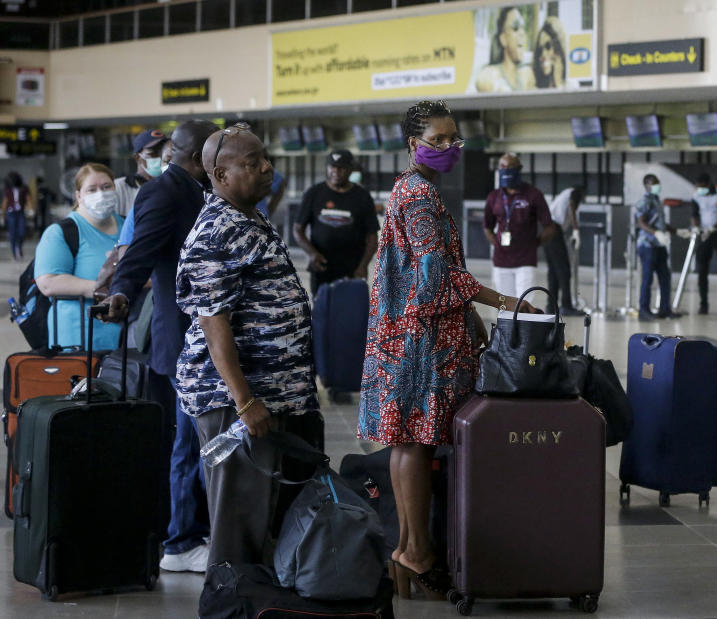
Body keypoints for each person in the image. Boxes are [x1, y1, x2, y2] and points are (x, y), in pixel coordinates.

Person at [358, 100, 538, 599]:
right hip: (422, 344)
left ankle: (408, 550)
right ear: (413, 143)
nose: (449, 148)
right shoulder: (419, 197)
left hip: (403, 335)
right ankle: (417, 554)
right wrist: (507, 303)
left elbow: (428, 275)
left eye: (454, 139)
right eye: (438, 140)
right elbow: (438, 277)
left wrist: (472, 313)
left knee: (405, 444)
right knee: (415, 443)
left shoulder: (405, 187)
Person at [175, 123, 323, 567]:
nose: (267, 168)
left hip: (279, 398)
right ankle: (231, 601)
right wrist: (244, 401)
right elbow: (213, 325)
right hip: (236, 404)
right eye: (252, 162)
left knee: (276, 522)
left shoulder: (249, 217)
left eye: (265, 159)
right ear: (219, 175)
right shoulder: (215, 232)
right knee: (240, 527)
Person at [101, 119, 220, 573]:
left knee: (201, 440)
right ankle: (179, 541)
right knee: (187, 443)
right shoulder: (163, 192)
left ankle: (199, 530)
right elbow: (139, 254)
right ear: (196, 156)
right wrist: (124, 291)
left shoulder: (196, 188)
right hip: (182, 338)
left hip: (205, 339)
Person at [34, 163, 123, 350]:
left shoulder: (128, 226)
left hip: (125, 339)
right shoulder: (63, 232)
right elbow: (48, 282)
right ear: (78, 195)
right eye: (92, 189)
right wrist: (104, 291)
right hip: (77, 339)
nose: (101, 193)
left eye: (107, 187)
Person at [293, 149, 379, 295]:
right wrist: (312, 254)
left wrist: (363, 265)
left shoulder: (362, 196)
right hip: (321, 268)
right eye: (332, 167)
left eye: (341, 168)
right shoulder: (314, 193)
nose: (336, 171)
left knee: (349, 313)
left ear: (350, 169)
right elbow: (298, 230)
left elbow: (372, 236)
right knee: (322, 312)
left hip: (353, 269)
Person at [483, 152, 557, 299]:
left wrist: (534, 244)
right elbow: (487, 227)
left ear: (519, 168)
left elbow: (550, 227)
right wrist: (497, 243)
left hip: (525, 260)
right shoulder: (494, 197)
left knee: (524, 305)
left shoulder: (533, 194)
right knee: (505, 305)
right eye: (502, 166)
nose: (506, 169)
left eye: (510, 166)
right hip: (501, 261)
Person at [634, 174, 680, 320]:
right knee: (647, 279)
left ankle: (665, 309)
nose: (656, 185)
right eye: (653, 183)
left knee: (665, 277)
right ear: (646, 185)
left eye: (657, 182)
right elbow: (640, 222)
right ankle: (644, 310)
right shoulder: (645, 201)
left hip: (659, 245)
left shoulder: (656, 200)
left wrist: (676, 231)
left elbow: (659, 223)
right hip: (648, 246)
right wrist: (656, 233)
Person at [691, 173, 717, 315]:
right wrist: (697, 227)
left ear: (709, 184)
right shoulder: (696, 195)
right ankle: (703, 304)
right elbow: (694, 214)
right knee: (702, 270)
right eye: (698, 187)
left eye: (702, 187)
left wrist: (713, 228)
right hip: (704, 235)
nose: (700, 189)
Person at [475, 6, 534, 92]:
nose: (522, 33)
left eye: (523, 28)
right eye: (516, 28)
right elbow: (483, 80)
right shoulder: (490, 75)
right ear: (503, 39)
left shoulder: (527, 76)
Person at [545, 185, 584, 315]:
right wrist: (576, 229)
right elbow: (572, 206)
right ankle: (566, 305)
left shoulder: (564, 193)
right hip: (554, 229)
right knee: (564, 270)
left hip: (546, 230)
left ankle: (551, 306)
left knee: (554, 272)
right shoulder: (573, 192)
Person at [114, 129, 167, 217]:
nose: (161, 157)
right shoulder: (119, 187)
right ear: (137, 157)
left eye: (164, 152)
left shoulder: (172, 185)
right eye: (153, 153)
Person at [3, 171, 31, 260]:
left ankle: (19, 247)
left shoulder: (24, 188)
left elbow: (28, 199)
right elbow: (5, 202)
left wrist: (31, 209)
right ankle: (14, 253)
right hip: (11, 213)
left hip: (20, 212)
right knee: (13, 233)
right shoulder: (8, 190)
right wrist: (3, 214)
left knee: (22, 232)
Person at [533, 16, 567, 89]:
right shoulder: (533, 88)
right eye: (540, 49)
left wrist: (558, 83)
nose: (543, 54)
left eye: (548, 46)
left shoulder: (571, 86)